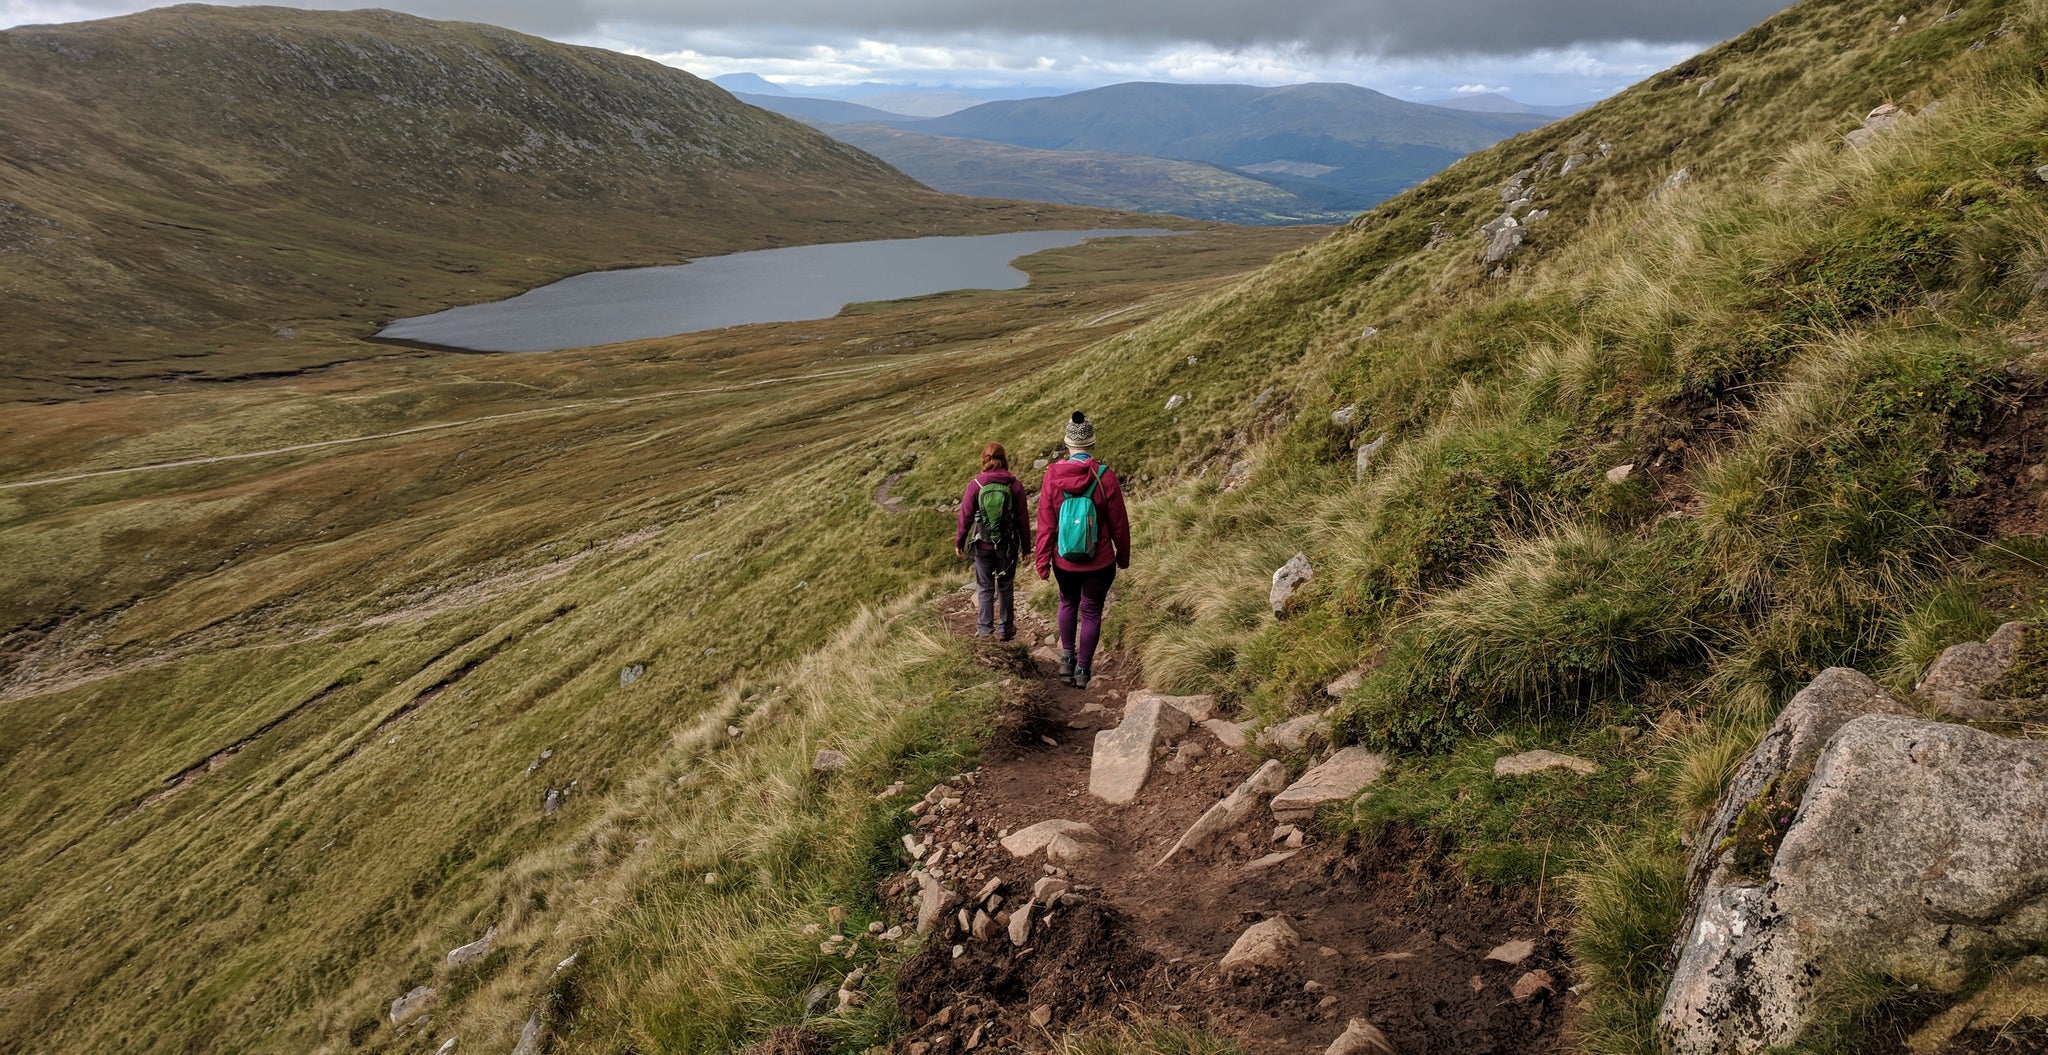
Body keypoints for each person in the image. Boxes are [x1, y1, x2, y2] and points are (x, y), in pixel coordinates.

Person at [1034, 411, 1130, 689]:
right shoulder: (1105, 476)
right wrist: (1122, 556)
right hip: (1099, 560)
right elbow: (1119, 524)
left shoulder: (1052, 475)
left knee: (1067, 601)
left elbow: (1046, 524)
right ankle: (1083, 671)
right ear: (1092, 444)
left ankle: (1066, 659)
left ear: (1068, 445)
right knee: (1091, 611)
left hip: (1064, 561)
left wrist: (1042, 562)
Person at [955, 441, 1031, 639]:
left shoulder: (976, 484)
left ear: (984, 460)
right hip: (1007, 546)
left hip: (982, 545)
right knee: (1006, 585)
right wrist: (1026, 549)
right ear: (1004, 460)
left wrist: (959, 541)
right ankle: (1006, 629)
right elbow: (1023, 520)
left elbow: (966, 516)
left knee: (985, 587)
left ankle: (985, 630)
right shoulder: (1014, 485)